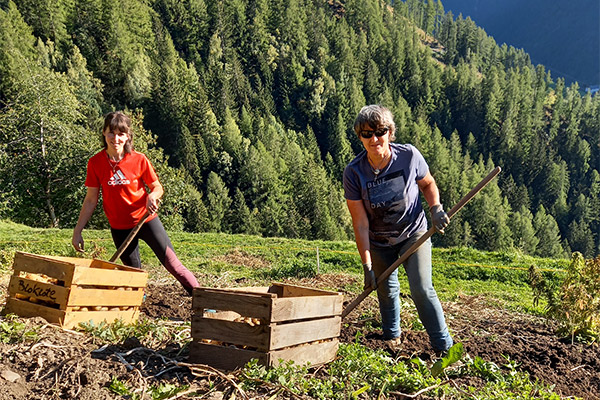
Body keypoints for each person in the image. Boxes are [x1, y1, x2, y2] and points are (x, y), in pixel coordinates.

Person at [343, 104, 453, 353]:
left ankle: (445, 348)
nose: (374, 139)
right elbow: (360, 222)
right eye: (366, 134)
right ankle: (392, 338)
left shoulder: (409, 156)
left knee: (422, 289)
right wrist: (367, 265)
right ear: (359, 136)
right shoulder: (354, 172)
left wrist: (435, 208)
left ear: (390, 132)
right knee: (386, 290)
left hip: (413, 234)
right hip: (379, 240)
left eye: (380, 131)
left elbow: (428, 183)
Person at [72, 111, 199, 295]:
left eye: (121, 134)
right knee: (133, 276)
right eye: (111, 133)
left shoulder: (139, 159)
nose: (115, 138)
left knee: (173, 265)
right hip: (120, 228)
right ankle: (139, 312)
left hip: (146, 221)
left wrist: (152, 197)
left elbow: (157, 186)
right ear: (103, 133)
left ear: (128, 136)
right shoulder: (95, 163)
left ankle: (204, 299)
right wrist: (78, 231)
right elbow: (91, 199)